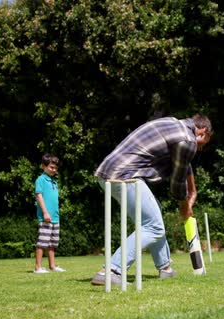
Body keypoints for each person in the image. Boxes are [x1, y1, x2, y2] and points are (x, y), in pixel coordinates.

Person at [91, 114, 213, 285]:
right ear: (203, 132)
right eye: (203, 144)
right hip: (125, 175)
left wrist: (192, 191)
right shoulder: (187, 139)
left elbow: (184, 163)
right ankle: (110, 271)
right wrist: (185, 206)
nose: (199, 149)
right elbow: (177, 182)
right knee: (153, 226)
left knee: (154, 219)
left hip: (108, 172)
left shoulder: (171, 123)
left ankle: (165, 268)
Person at [34, 153, 66, 273]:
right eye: (51, 167)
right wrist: (45, 213)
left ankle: (52, 266)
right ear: (43, 166)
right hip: (45, 217)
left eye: (56, 168)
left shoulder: (54, 182)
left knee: (52, 243)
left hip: (55, 218)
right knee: (42, 242)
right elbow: (39, 196)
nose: (54, 170)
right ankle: (38, 267)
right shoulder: (40, 180)